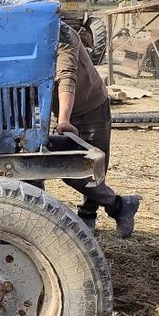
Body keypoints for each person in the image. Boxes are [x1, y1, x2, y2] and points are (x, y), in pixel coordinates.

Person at [54, 22, 139, 237]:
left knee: (92, 167)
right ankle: (120, 205)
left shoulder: (63, 34)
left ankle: (88, 215)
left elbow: (67, 75)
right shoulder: (21, 39)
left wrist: (63, 119)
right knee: (65, 166)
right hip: (62, 108)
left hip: (92, 105)